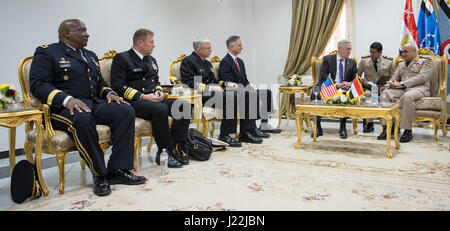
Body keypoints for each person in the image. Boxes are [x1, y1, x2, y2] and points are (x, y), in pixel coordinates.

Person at [29, 19, 146, 197]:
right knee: (83, 119)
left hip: (91, 103)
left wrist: (109, 94)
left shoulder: (89, 55)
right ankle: (100, 175)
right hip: (63, 109)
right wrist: (66, 99)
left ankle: (119, 170)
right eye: (82, 30)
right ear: (67, 33)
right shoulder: (48, 52)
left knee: (125, 111)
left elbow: (100, 83)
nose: (87, 34)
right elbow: (38, 84)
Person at [110, 29, 189, 168]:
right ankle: (163, 152)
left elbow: (156, 82)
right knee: (161, 108)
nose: (154, 45)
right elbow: (118, 86)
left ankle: (174, 149)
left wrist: (159, 92)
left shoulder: (152, 60)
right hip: (134, 102)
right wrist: (143, 96)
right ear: (140, 42)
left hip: (154, 99)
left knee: (184, 106)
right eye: (151, 42)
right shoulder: (122, 58)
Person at [180, 37, 264, 146]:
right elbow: (189, 82)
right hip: (200, 95)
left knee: (245, 94)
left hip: (214, 93)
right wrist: (209, 88)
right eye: (208, 48)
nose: (211, 50)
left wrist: (226, 84)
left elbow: (214, 80)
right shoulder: (188, 61)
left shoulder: (207, 63)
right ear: (199, 50)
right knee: (232, 97)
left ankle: (246, 131)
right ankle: (225, 135)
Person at [218, 35, 281, 134]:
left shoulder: (240, 62)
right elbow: (228, 82)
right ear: (231, 46)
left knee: (267, 93)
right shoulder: (225, 62)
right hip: (235, 93)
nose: (241, 47)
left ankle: (264, 124)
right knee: (252, 94)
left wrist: (249, 87)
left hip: (245, 91)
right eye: (239, 45)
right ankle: (252, 128)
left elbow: (245, 80)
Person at [378, 44, 433, 143]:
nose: (403, 54)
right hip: (402, 89)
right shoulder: (401, 64)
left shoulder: (425, 62)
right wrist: (392, 82)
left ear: (414, 51)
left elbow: (422, 78)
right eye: (402, 52)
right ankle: (388, 127)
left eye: (405, 52)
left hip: (419, 89)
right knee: (385, 94)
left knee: (408, 97)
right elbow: (395, 77)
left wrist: (402, 83)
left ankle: (407, 130)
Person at [312, 39, 357, 139]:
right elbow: (323, 76)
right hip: (330, 85)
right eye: (348, 49)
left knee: (346, 96)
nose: (350, 51)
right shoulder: (328, 59)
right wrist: (337, 85)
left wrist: (349, 84)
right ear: (340, 49)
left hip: (345, 88)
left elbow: (355, 78)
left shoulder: (352, 62)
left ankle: (343, 127)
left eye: (350, 49)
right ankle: (318, 127)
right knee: (316, 94)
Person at [357, 42, 395, 133]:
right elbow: (356, 74)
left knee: (385, 96)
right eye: (370, 52)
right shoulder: (364, 61)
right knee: (367, 95)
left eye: (373, 52)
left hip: (383, 89)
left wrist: (386, 85)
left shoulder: (389, 62)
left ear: (380, 52)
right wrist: (362, 80)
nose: (371, 54)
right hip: (369, 88)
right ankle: (369, 124)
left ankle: (386, 126)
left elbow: (394, 77)